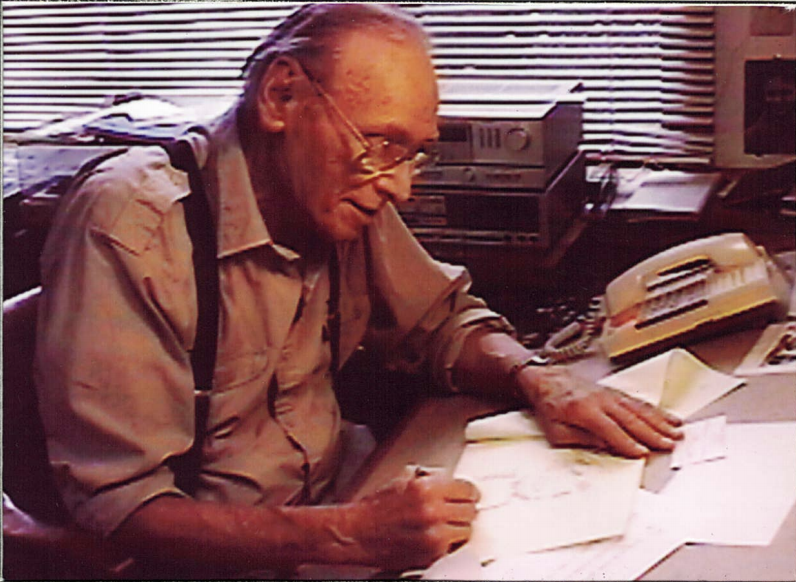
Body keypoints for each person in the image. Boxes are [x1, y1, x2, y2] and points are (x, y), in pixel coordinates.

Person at [33, 4, 683, 577]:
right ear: (281, 97)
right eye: (381, 143)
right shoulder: (133, 228)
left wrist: (543, 380)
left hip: (349, 499)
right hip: (235, 560)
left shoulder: (341, 191)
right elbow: (126, 513)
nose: (399, 186)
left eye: (414, 153)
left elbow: (441, 325)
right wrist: (351, 534)